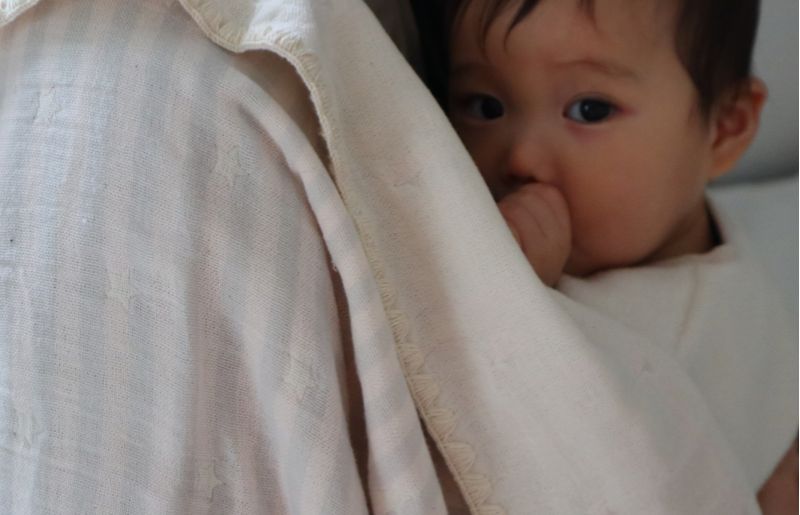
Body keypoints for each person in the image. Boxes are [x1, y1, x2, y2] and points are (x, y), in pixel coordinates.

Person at [424, 0, 796, 511]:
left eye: (590, 110)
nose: (520, 157)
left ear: (724, 127)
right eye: (485, 106)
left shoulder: (673, 331)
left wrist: (516, 304)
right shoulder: (697, 233)